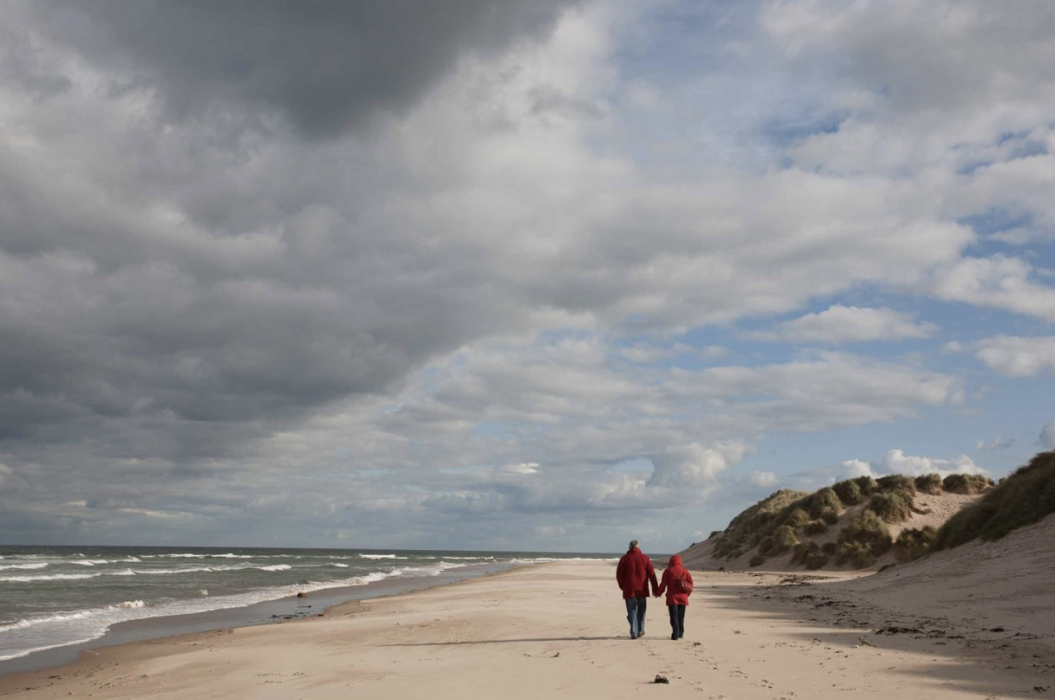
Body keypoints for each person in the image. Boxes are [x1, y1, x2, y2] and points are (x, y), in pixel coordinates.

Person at [615, 539, 659, 639]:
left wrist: (622, 586)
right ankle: (640, 630)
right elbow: (652, 574)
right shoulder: (645, 558)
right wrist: (655, 589)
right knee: (641, 610)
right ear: (638, 547)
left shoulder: (625, 559)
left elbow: (619, 575)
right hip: (642, 589)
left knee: (632, 611)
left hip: (629, 588)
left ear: (629, 547)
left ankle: (635, 631)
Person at [656, 554, 693, 640]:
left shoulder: (668, 571)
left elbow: (663, 584)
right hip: (683, 598)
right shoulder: (685, 571)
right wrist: (687, 594)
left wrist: (658, 593)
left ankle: (675, 633)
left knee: (673, 617)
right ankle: (680, 633)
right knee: (681, 617)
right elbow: (690, 584)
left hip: (672, 598)